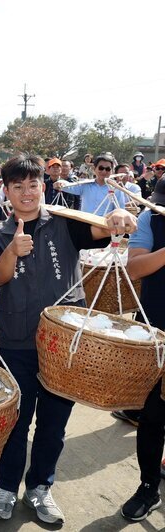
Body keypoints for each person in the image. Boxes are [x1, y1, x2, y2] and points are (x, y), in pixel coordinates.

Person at [0, 154, 137, 525]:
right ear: (6, 191)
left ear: (44, 186)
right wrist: (12, 250)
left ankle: (40, 488)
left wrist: (119, 220)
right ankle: (6, 487)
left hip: (65, 343)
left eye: (33, 185)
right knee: (15, 419)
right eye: (17, 186)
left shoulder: (66, 224)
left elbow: (105, 230)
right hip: (17, 341)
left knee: (54, 422)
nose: (26, 193)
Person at [120, 178, 165, 521]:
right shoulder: (151, 220)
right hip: (156, 332)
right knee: (152, 415)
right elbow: (134, 267)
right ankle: (149, 486)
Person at [53, 153, 118, 215]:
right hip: (85, 223)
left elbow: (120, 209)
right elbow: (69, 186)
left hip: (104, 224)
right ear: (94, 169)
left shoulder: (116, 189)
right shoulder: (85, 185)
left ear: (112, 171)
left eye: (108, 169)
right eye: (101, 168)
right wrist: (59, 183)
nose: (104, 171)